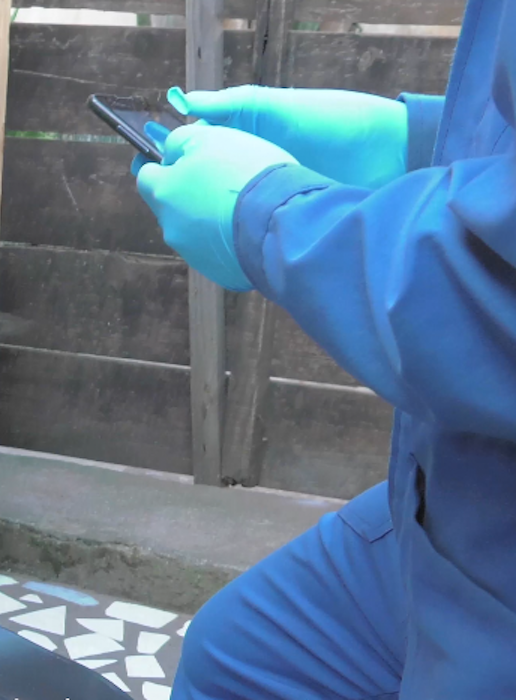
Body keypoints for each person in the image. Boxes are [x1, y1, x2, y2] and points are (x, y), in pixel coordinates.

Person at [132, 0, 516, 696]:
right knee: (240, 660)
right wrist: (415, 138)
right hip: (456, 499)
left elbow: (499, 297)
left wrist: (269, 215)